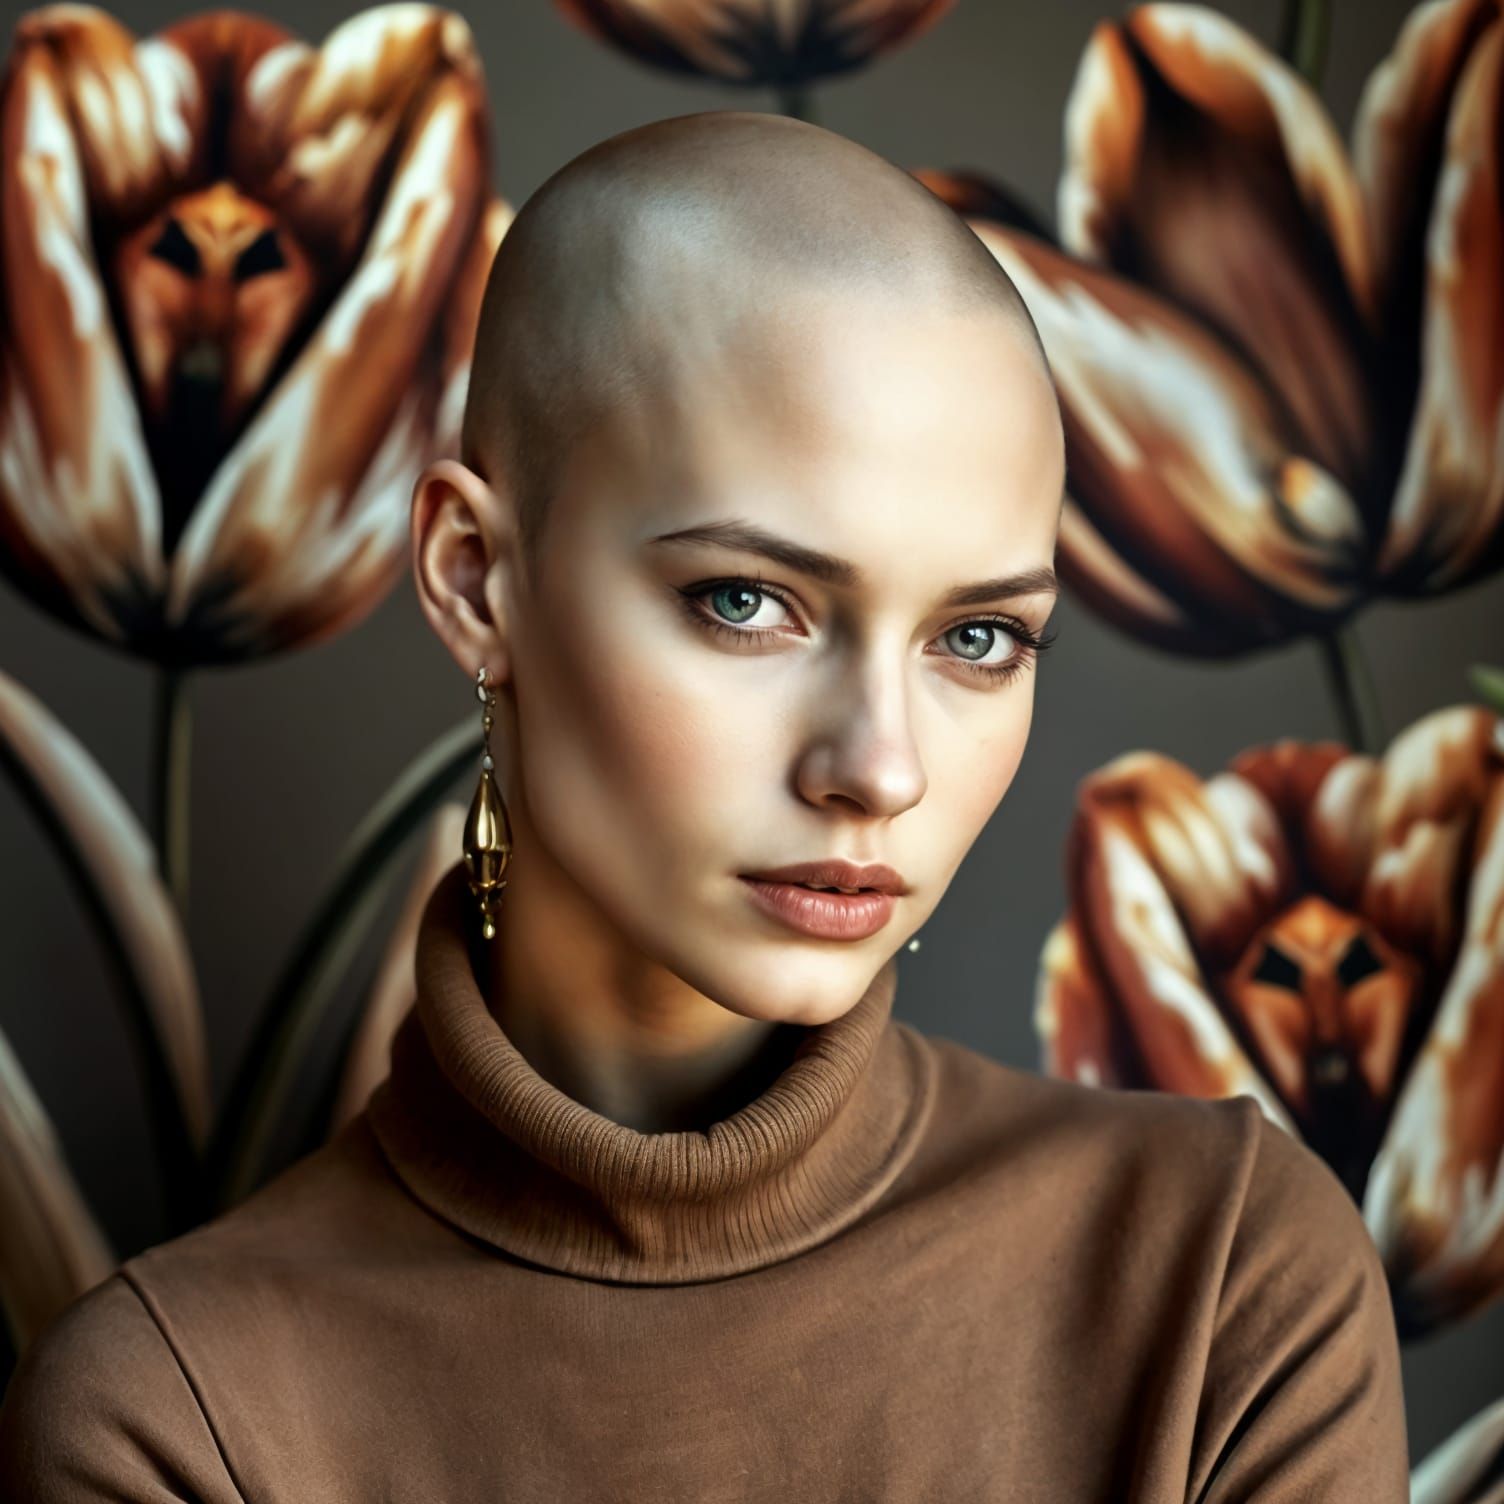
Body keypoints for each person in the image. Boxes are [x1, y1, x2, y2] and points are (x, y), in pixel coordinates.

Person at [0, 110, 1408, 1501]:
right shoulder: (173, 1421)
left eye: (978, 639)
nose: (883, 767)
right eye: (749, 603)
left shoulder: (1223, 1279)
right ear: (478, 579)